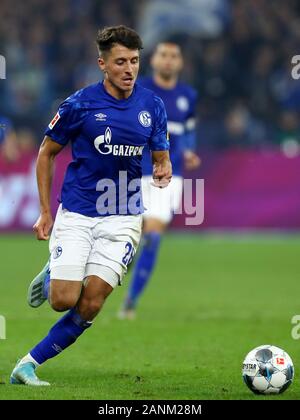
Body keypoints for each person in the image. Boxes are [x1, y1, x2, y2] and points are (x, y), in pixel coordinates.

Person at [10, 25, 172, 386]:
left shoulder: (152, 106)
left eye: (134, 61)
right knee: (62, 300)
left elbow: (161, 156)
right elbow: (45, 153)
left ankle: (27, 364)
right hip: (79, 211)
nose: (129, 69)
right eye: (120, 62)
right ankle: (55, 270)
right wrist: (45, 211)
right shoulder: (79, 104)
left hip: (125, 217)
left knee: (92, 303)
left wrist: (163, 167)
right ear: (102, 64)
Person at [119, 42, 200, 319]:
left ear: (180, 63)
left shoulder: (188, 95)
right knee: (125, 236)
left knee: (153, 236)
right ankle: (121, 259)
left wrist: (189, 151)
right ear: (153, 61)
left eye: (174, 56)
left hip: (169, 175)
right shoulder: (138, 89)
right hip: (132, 170)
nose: (168, 60)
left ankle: (130, 300)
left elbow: (188, 130)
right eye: (163, 55)